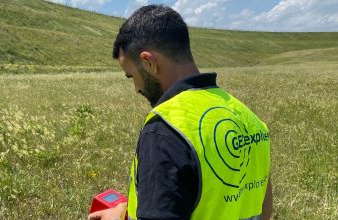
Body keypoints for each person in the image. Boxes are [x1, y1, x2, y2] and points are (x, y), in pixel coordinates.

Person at [88, 5, 272, 220]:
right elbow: (263, 210)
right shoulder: (249, 119)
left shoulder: (164, 131)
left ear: (148, 62)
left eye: (131, 76)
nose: (136, 89)